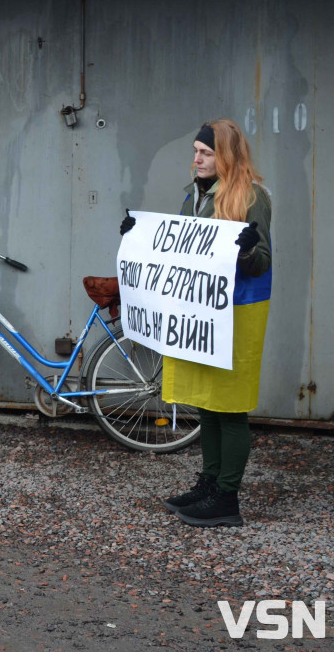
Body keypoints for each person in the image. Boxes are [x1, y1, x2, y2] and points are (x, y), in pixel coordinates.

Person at [120, 119, 271, 528]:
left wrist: (247, 249)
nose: (196, 159)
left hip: (237, 312)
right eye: (195, 152)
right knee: (206, 402)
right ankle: (208, 483)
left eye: (205, 152)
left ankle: (226, 497)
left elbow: (262, 263)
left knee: (231, 406)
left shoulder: (253, 197)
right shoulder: (193, 197)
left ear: (225, 155)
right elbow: (177, 251)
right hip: (201, 314)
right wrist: (137, 238)